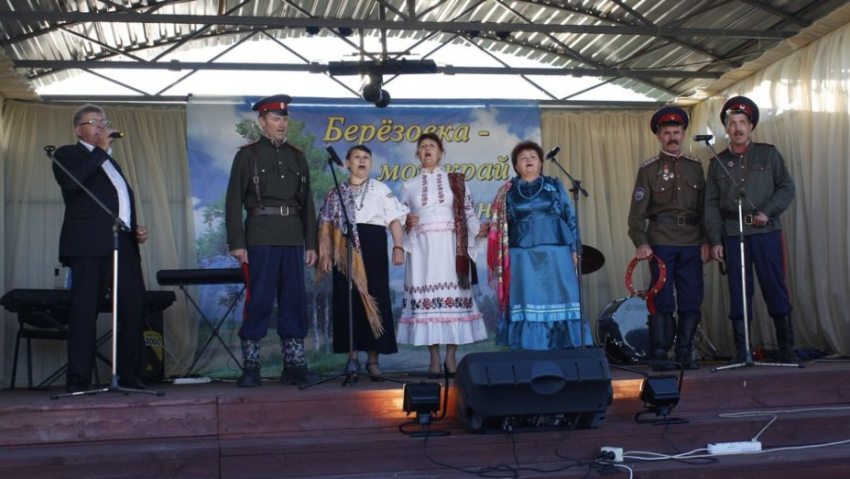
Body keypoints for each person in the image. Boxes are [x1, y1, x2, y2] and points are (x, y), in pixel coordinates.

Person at [52, 103, 149, 392]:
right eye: (95, 122)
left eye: (104, 121)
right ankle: (78, 380)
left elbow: (113, 201)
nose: (102, 126)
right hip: (88, 246)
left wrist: (134, 228)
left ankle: (128, 376)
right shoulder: (67, 154)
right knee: (84, 311)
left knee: (134, 307)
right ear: (78, 129)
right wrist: (100, 151)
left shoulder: (109, 162)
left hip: (122, 246)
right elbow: (72, 184)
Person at [225, 94, 320, 387]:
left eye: (285, 118)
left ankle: (294, 364)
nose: (282, 123)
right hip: (260, 236)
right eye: (276, 118)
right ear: (262, 121)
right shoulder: (248, 155)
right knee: (260, 299)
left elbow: (307, 205)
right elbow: (232, 202)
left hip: (292, 237)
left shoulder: (297, 156)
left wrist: (312, 243)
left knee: (293, 300)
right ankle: (251, 366)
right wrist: (237, 243)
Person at [705, 96, 797, 363]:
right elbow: (710, 205)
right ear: (726, 128)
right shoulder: (717, 162)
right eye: (732, 123)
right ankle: (742, 351)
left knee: (775, 288)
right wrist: (715, 240)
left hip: (766, 232)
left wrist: (767, 211)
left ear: (751, 126)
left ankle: (787, 349)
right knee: (738, 293)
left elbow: (786, 188)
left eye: (742, 122)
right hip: (733, 234)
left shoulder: (769, 154)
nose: (737, 128)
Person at [397, 133, 488, 376]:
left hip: (451, 247)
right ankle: (434, 359)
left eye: (432, 146)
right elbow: (400, 219)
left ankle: (451, 358)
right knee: (428, 306)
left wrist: (478, 229)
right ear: (418, 154)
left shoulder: (456, 182)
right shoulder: (409, 186)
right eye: (423, 146)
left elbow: (468, 212)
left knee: (453, 299)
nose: (427, 150)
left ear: (440, 152)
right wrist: (407, 223)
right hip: (422, 251)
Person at [487, 140, 592, 350]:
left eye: (533, 157)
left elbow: (570, 218)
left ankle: (568, 346)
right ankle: (530, 347)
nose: (528, 160)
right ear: (516, 166)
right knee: (528, 299)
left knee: (562, 296)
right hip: (521, 255)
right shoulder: (507, 191)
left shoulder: (554, 185)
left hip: (556, 252)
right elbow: (501, 224)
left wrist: (575, 250)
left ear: (541, 163)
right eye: (523, 158)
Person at [626, 107, 710, 369]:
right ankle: (659, 351)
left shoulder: (696, 167)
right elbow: (636, 214)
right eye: (667, 133)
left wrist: (707, 240)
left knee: (691, 298)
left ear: (683, 134)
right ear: (659, 137)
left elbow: (706, 209)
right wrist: (641, 242)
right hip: (660, 241)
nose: (672, 137)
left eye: (677, 132)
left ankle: (684, 351)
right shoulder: (648, 169)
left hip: (692, 242)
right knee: (662, 299)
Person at [317, 145, 408, 378]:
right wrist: (326, 254)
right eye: (356, 157)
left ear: (371, 163)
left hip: (373, 244)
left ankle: (373, 359)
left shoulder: (381, 189)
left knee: (374, 296)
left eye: (366, 157)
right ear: (346, 163)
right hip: (344, 249)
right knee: (348, 300)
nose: (361, 161)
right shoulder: (334, 192)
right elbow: (325, 227)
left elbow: (395, 220)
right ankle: (352, 359)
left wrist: (398, 246)